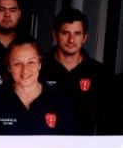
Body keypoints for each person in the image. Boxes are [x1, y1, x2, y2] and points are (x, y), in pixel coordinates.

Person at [40, 7, 106, 135]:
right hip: (46, 144)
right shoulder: (39, 67)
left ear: (85, 37)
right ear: (55, 35)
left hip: (83, 147)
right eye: (65, 33)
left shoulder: (98, 71)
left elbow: (105, 118)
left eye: (77, 34)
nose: (71, 40)